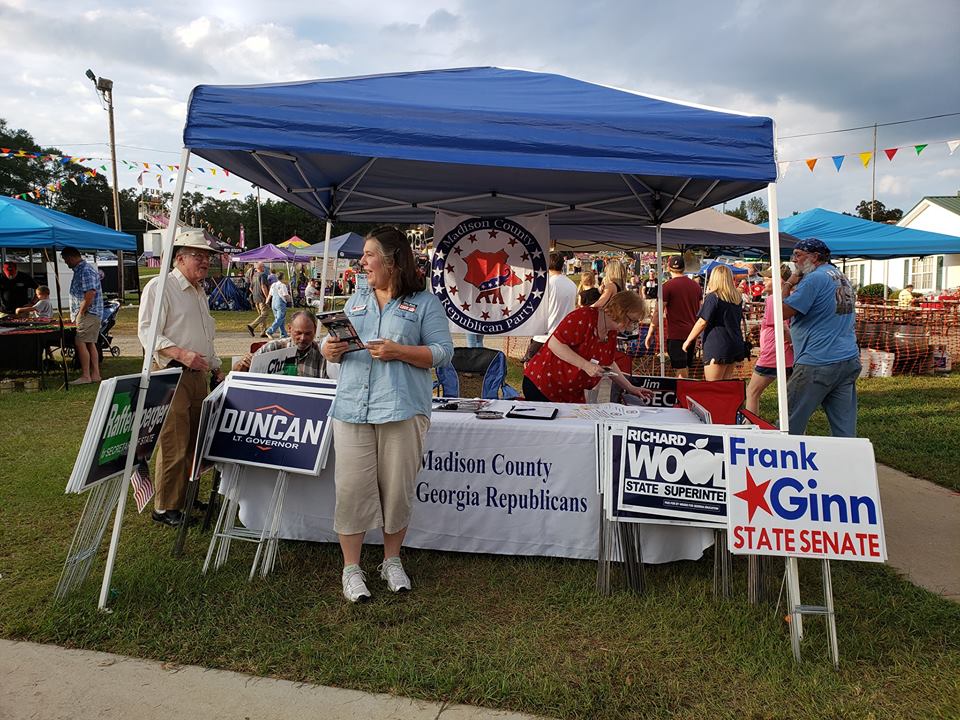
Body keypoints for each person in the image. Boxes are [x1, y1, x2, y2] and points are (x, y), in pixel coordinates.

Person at [320, 225, 453, 603]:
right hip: (352, 409)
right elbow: (336, 347)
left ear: (392, 260)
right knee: (351, 491)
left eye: (369, 255)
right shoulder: (356, 301)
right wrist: (331, 350)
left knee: (396, 491)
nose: (362, 262)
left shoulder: (424, 303)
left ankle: (391, 561)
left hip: (401, 409)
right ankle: (351, 568)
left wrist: (401, 352)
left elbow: (443, 353)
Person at [138, 229, 224, 527]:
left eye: (207, 256)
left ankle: (185, 497)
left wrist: (214, 366)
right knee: (174, 441)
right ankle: (165, 507)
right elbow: (148, 333)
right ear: (179, 258)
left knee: (194, 442)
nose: (205, 261)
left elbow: (205, 336)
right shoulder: (160, 286)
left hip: (197, 375)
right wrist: (183, 354)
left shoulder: (199, 290)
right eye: (198, 256)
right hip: (171, 374)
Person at [781, 238, 860, 437]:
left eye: (798, 255)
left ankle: (787, 464)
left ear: (814, 257)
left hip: (817, 361)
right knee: (844, 427)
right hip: (847, 358)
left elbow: (782, 311)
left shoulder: (814, 279)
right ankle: (849, 463)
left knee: (789, 422)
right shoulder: (840, 275)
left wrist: (788, 283)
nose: (794, 260)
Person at [523, 291, 652, 404]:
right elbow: (555, 344)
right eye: (632, 320)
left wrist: (630, 387)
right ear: (621, 311)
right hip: (543, 385)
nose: (632, 326)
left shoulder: (611, 331)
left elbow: (609, 363)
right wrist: (586, 366)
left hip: (569, 393)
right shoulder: (584, 317)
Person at [745, 265, 794, 414]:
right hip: (788, 356)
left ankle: (751, 427)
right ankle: (794, 429)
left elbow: (782, 327)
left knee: (752, 392)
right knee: (790, 397)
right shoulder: (790, 296)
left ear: (779, 280)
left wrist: (792, 342)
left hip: (773, 354)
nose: (763, 282)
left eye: (767, 278)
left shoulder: (774, 299)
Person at [682, 264, 746, 381]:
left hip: (717, 345)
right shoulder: (737, 298)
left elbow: (702, 321)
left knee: (713, 388)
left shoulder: (713, 297)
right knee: (725, 387)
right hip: (733, 344)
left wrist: (688, 340)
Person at [645, 255, 701, 378]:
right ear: (684, 268)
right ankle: (683, 392)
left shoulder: (667, 286)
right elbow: (700, 310)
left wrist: (650, 333)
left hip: (677, 334)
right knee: (685, 367)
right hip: (692, 332)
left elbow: (658, 312)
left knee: (680, 369)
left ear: (668, 268)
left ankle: (681, 394)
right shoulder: (695, 286)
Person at [233, 310, 327, 378]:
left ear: (315, 331)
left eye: (308, 333)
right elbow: (237, 375)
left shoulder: (321, 354)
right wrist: (242, 364)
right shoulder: (273, 348)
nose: (302, 338)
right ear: (289, 329)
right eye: (298, 333)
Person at [524, 252, 579, 362]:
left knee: (532, 369)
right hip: (563, 335)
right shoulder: (572, 284)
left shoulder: (546, 284)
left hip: (544, 335)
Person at [60, 247, 103, 385]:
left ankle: (86, 375)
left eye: (66, 260)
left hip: (88, 313)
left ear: (72, 257)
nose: (66, 263)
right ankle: (95, 374)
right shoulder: (83, 270)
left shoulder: (85, 270)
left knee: (80, 342)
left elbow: (90, 293)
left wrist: (81, 312)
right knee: (90, 343)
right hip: (90, 313)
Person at [246, 262, 272, 338]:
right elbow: (263, 286)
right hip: (262, 298)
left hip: (255, 298)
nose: (264, 267)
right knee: (265, 314)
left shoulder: (254, 275)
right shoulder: (263, 275)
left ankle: (263, 331)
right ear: (260, 267)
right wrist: (267, 297)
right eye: (263, 266)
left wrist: (255, 293)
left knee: (261, 315)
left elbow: (250, 288)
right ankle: (251, 326)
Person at [266, 271, 292, 339]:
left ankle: (283, 334)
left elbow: (270, 294)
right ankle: (270, 331)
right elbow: (285, 295)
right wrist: (290, 299)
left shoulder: (273, 285)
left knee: (280, 319)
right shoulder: (283, 285)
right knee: (280, 318)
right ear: (283, 277)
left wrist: (267, 301)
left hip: (273, 303)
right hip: (280, 303)